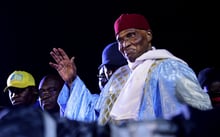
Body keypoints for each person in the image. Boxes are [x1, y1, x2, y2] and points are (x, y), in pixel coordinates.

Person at [49, 13, 212, 125]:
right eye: (120, 39)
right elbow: (96, 114)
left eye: (131, 35)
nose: (125, 44)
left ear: (148, 35)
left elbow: (195, 118)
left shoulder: (168, 67)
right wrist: (72, 81)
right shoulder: (120, 76)